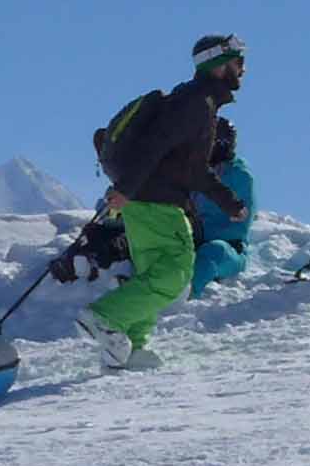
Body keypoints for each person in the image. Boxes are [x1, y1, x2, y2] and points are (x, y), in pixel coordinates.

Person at [76, 33, 248, 370]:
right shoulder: (194, 103)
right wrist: (126, 189)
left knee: (152, 274)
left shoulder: (197, 102)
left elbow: (193, 169)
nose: (243, 68)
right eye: (237, 61)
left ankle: (130, 347)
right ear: (218, 64)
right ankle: (105, 317)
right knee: (176, 274)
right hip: (156, 202)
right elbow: (154, 145)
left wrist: (229, 203)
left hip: (146, 201)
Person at [190, 118, 256, 298]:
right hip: (190, 241)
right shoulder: (194, 170)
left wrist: (200, 234)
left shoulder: (239, 175)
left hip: (228, 249)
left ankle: (185, 295)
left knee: (213, 251)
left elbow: (239, 225)